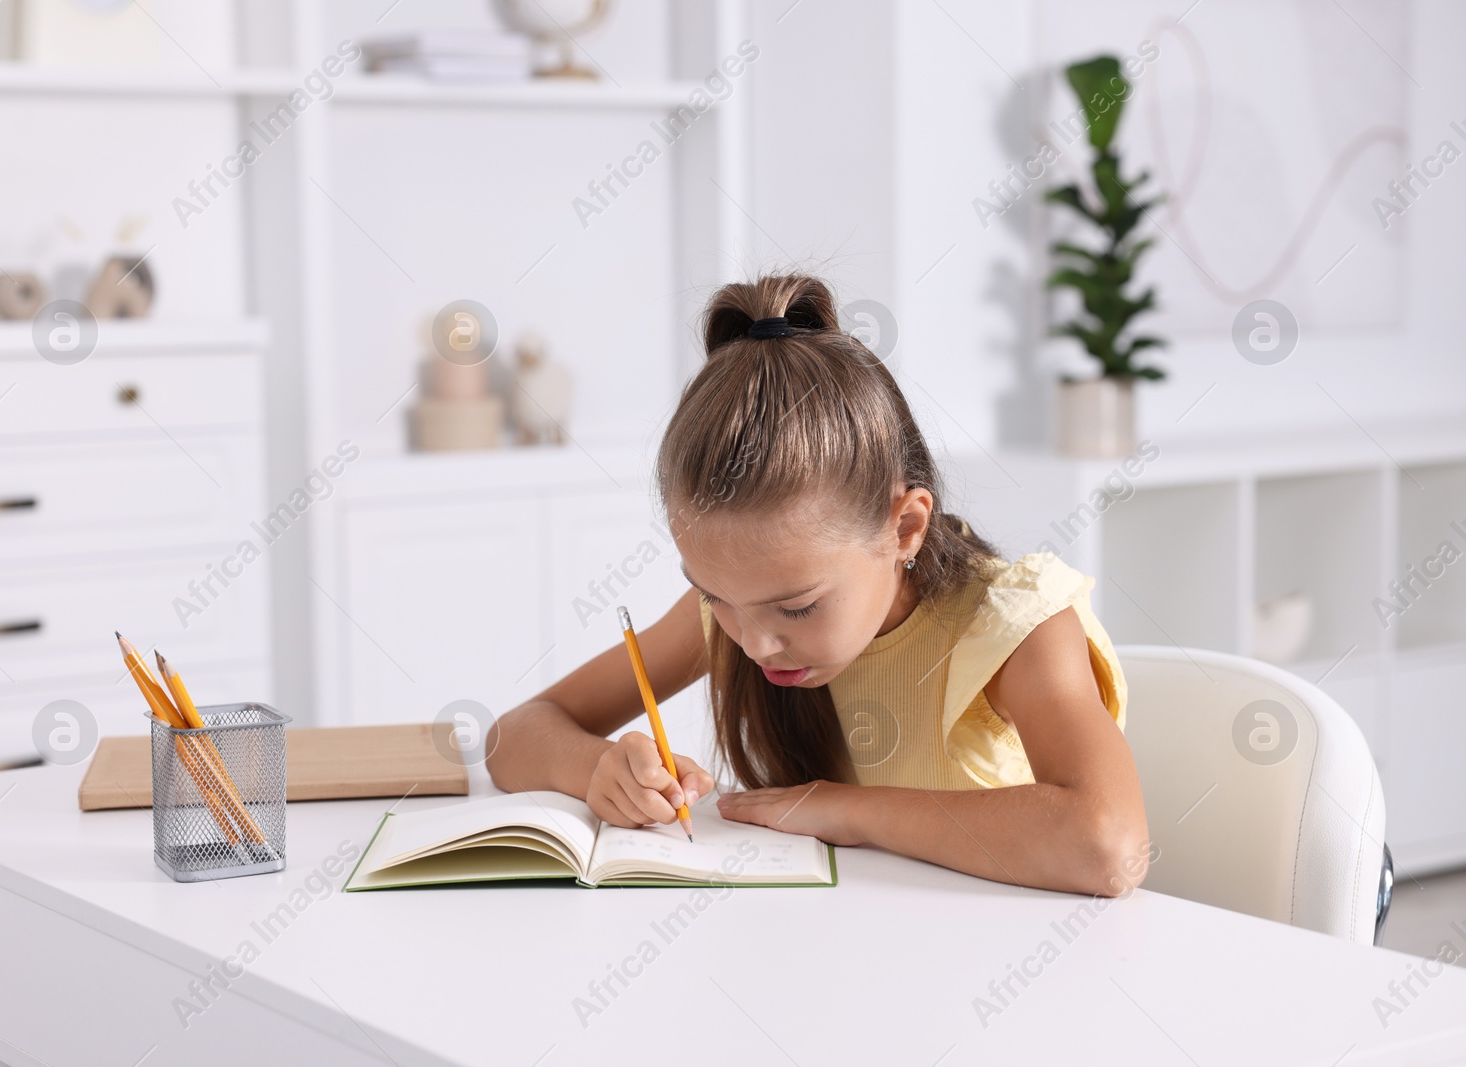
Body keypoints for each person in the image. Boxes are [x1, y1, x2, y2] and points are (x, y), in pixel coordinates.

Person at [486, 273, 1150, 896]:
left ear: (905, 528)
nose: (754, 643)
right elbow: (511, 738)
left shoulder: (1010, 625)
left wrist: (845, 808)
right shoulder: (743, 611)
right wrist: (599, 769)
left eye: (798, 606)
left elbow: (1108, 845)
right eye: (713, 594)